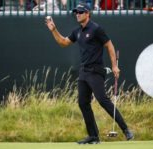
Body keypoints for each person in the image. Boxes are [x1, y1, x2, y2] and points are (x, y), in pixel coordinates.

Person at [45, 2, 134, 144]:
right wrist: (53, 30)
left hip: (96, 71)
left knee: (103, 100)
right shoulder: (77, 31)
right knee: (82, 103)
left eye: (80, 12)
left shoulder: (96, 29)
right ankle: (93, 136)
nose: (77, 14)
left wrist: (114, 66)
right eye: (76, 12)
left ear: (88, 13)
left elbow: (109, 46)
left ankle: (126, 130)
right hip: (84, 72)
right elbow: (63, 42)